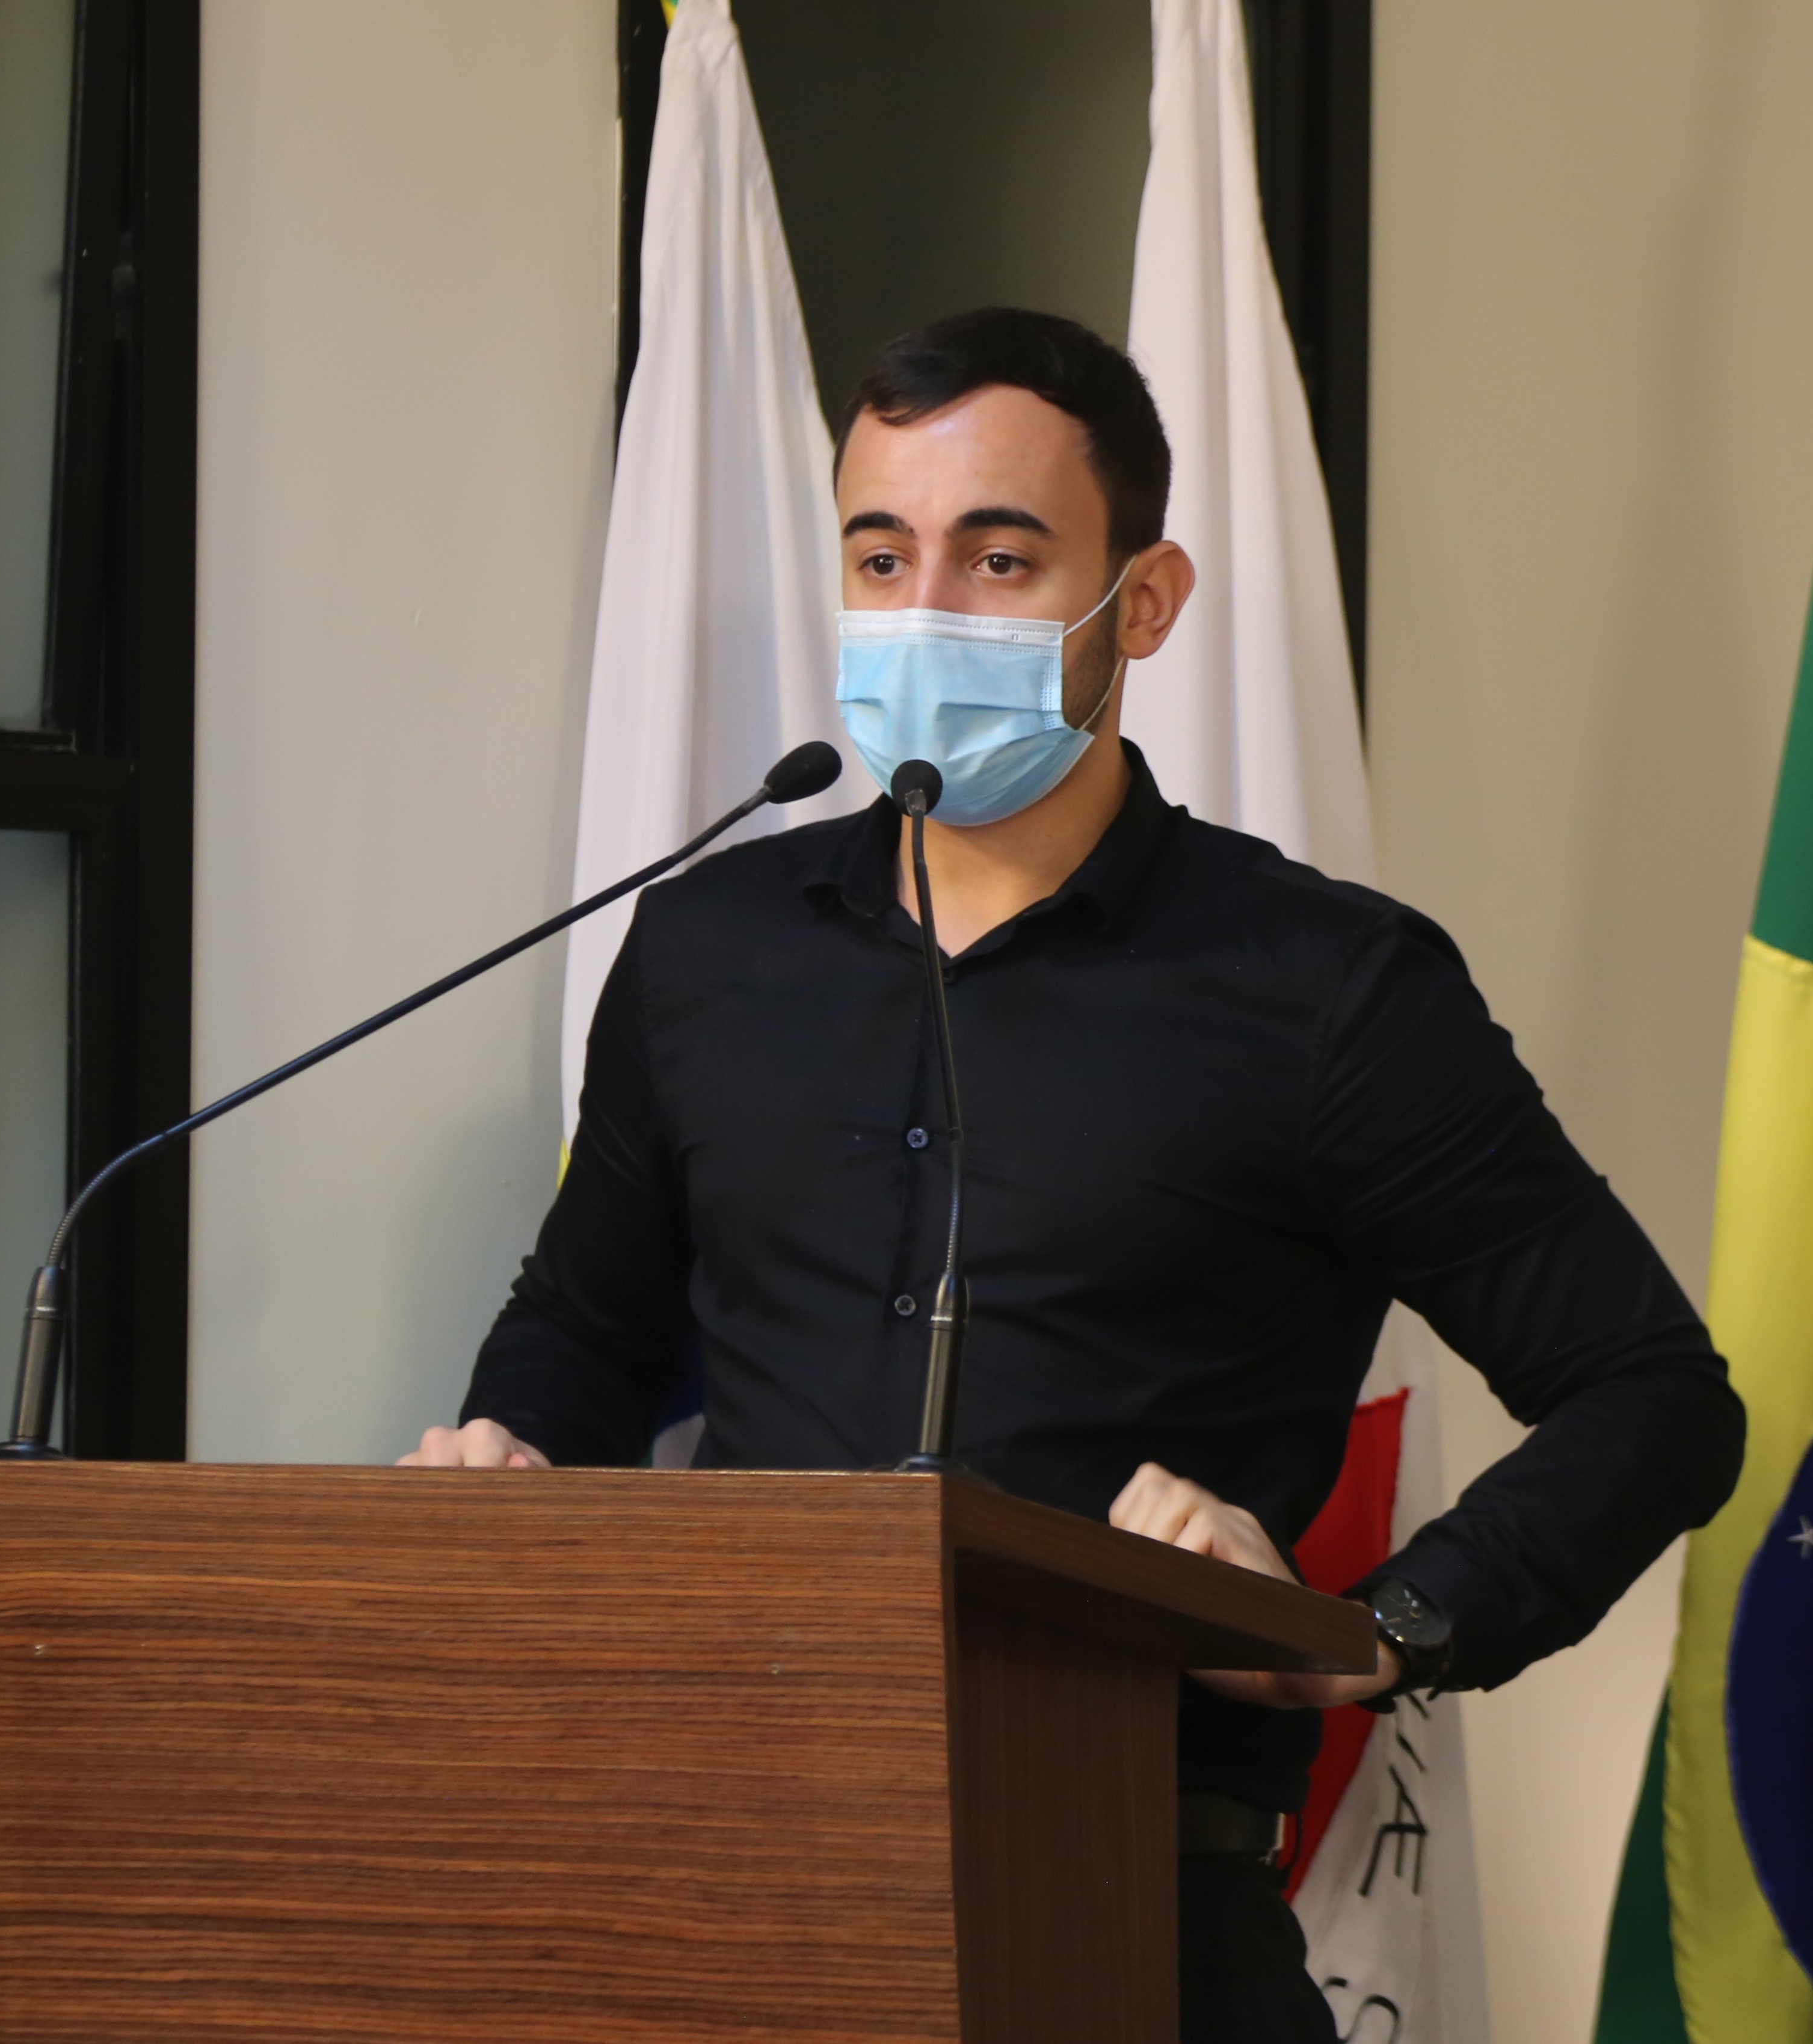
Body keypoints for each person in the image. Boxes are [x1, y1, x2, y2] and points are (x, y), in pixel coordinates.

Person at [399, 307, 1744, 2039]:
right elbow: (589, 1331)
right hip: (727, 1881)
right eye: (881, 557)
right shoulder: (705, 950)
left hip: (1134, 1912)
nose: (926, 610)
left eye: (1000, 557)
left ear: (1146, 601)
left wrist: (1377, 1631)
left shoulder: (1328, 988)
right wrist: (513, 1452)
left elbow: (1652, 1394)